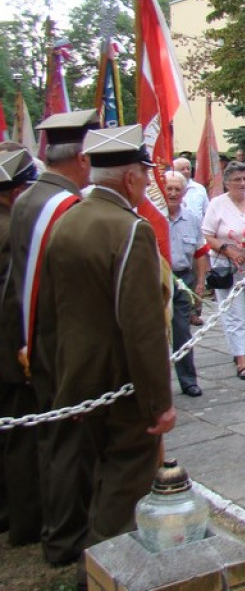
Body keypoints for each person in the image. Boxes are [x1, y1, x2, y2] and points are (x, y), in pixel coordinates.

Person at [40, 124, 175, 552]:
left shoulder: (68, 220)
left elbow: (53, 312)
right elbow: (142, 327)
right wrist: (159, 403)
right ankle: (105, 564)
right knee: (125, 478)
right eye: (143, 175)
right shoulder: (129, 229)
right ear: (131, 178)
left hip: (78, 374)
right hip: (121, 381)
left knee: (96, 468)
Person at [0, 110, 95, 561]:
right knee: (65, 441)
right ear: (80, 157)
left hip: (31, 334)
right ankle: (63, 538)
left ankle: (35, 522)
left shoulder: (27, 198)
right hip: (58, 342)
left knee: (45, 437)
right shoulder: (63, 206)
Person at [0, 148, 37, 544]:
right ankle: (24, 519)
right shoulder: (12, 231)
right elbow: (14, 302)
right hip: (9, 354)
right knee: (20, 439)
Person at [202, 160, 245, 379]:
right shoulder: (217, 204)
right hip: (227, 265)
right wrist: (228, 250)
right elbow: (208, 235)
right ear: (227, 183)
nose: (242, 183)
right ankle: (241, 358)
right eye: (237, 180)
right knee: (234, 312)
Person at [165, 171, 210, 397]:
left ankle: (188, 380)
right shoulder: (151, 216)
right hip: (158, 280)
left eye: (177, 189)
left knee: (182, 331)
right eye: (168, 188)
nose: (172, 193)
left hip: (183, 279)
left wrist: (200, 283)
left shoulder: (191, 217)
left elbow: (200, 253)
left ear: (184, 192)